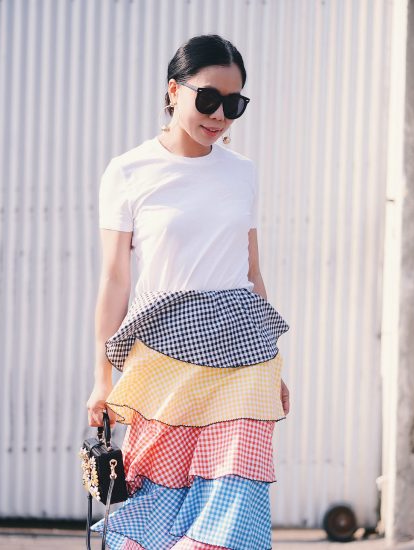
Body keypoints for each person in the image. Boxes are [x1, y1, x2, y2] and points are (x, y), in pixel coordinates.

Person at [86, 33, 290, 550]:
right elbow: (114, 280)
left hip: (245, 359)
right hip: (163, 357)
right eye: (208, 98)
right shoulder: (129, 171)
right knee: (158, 502)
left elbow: (252, 273)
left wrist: (276, 366)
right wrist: (102, 380)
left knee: (236, 495)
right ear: (173, 91)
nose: (220, 115)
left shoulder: (242, 173)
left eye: (234, 104)